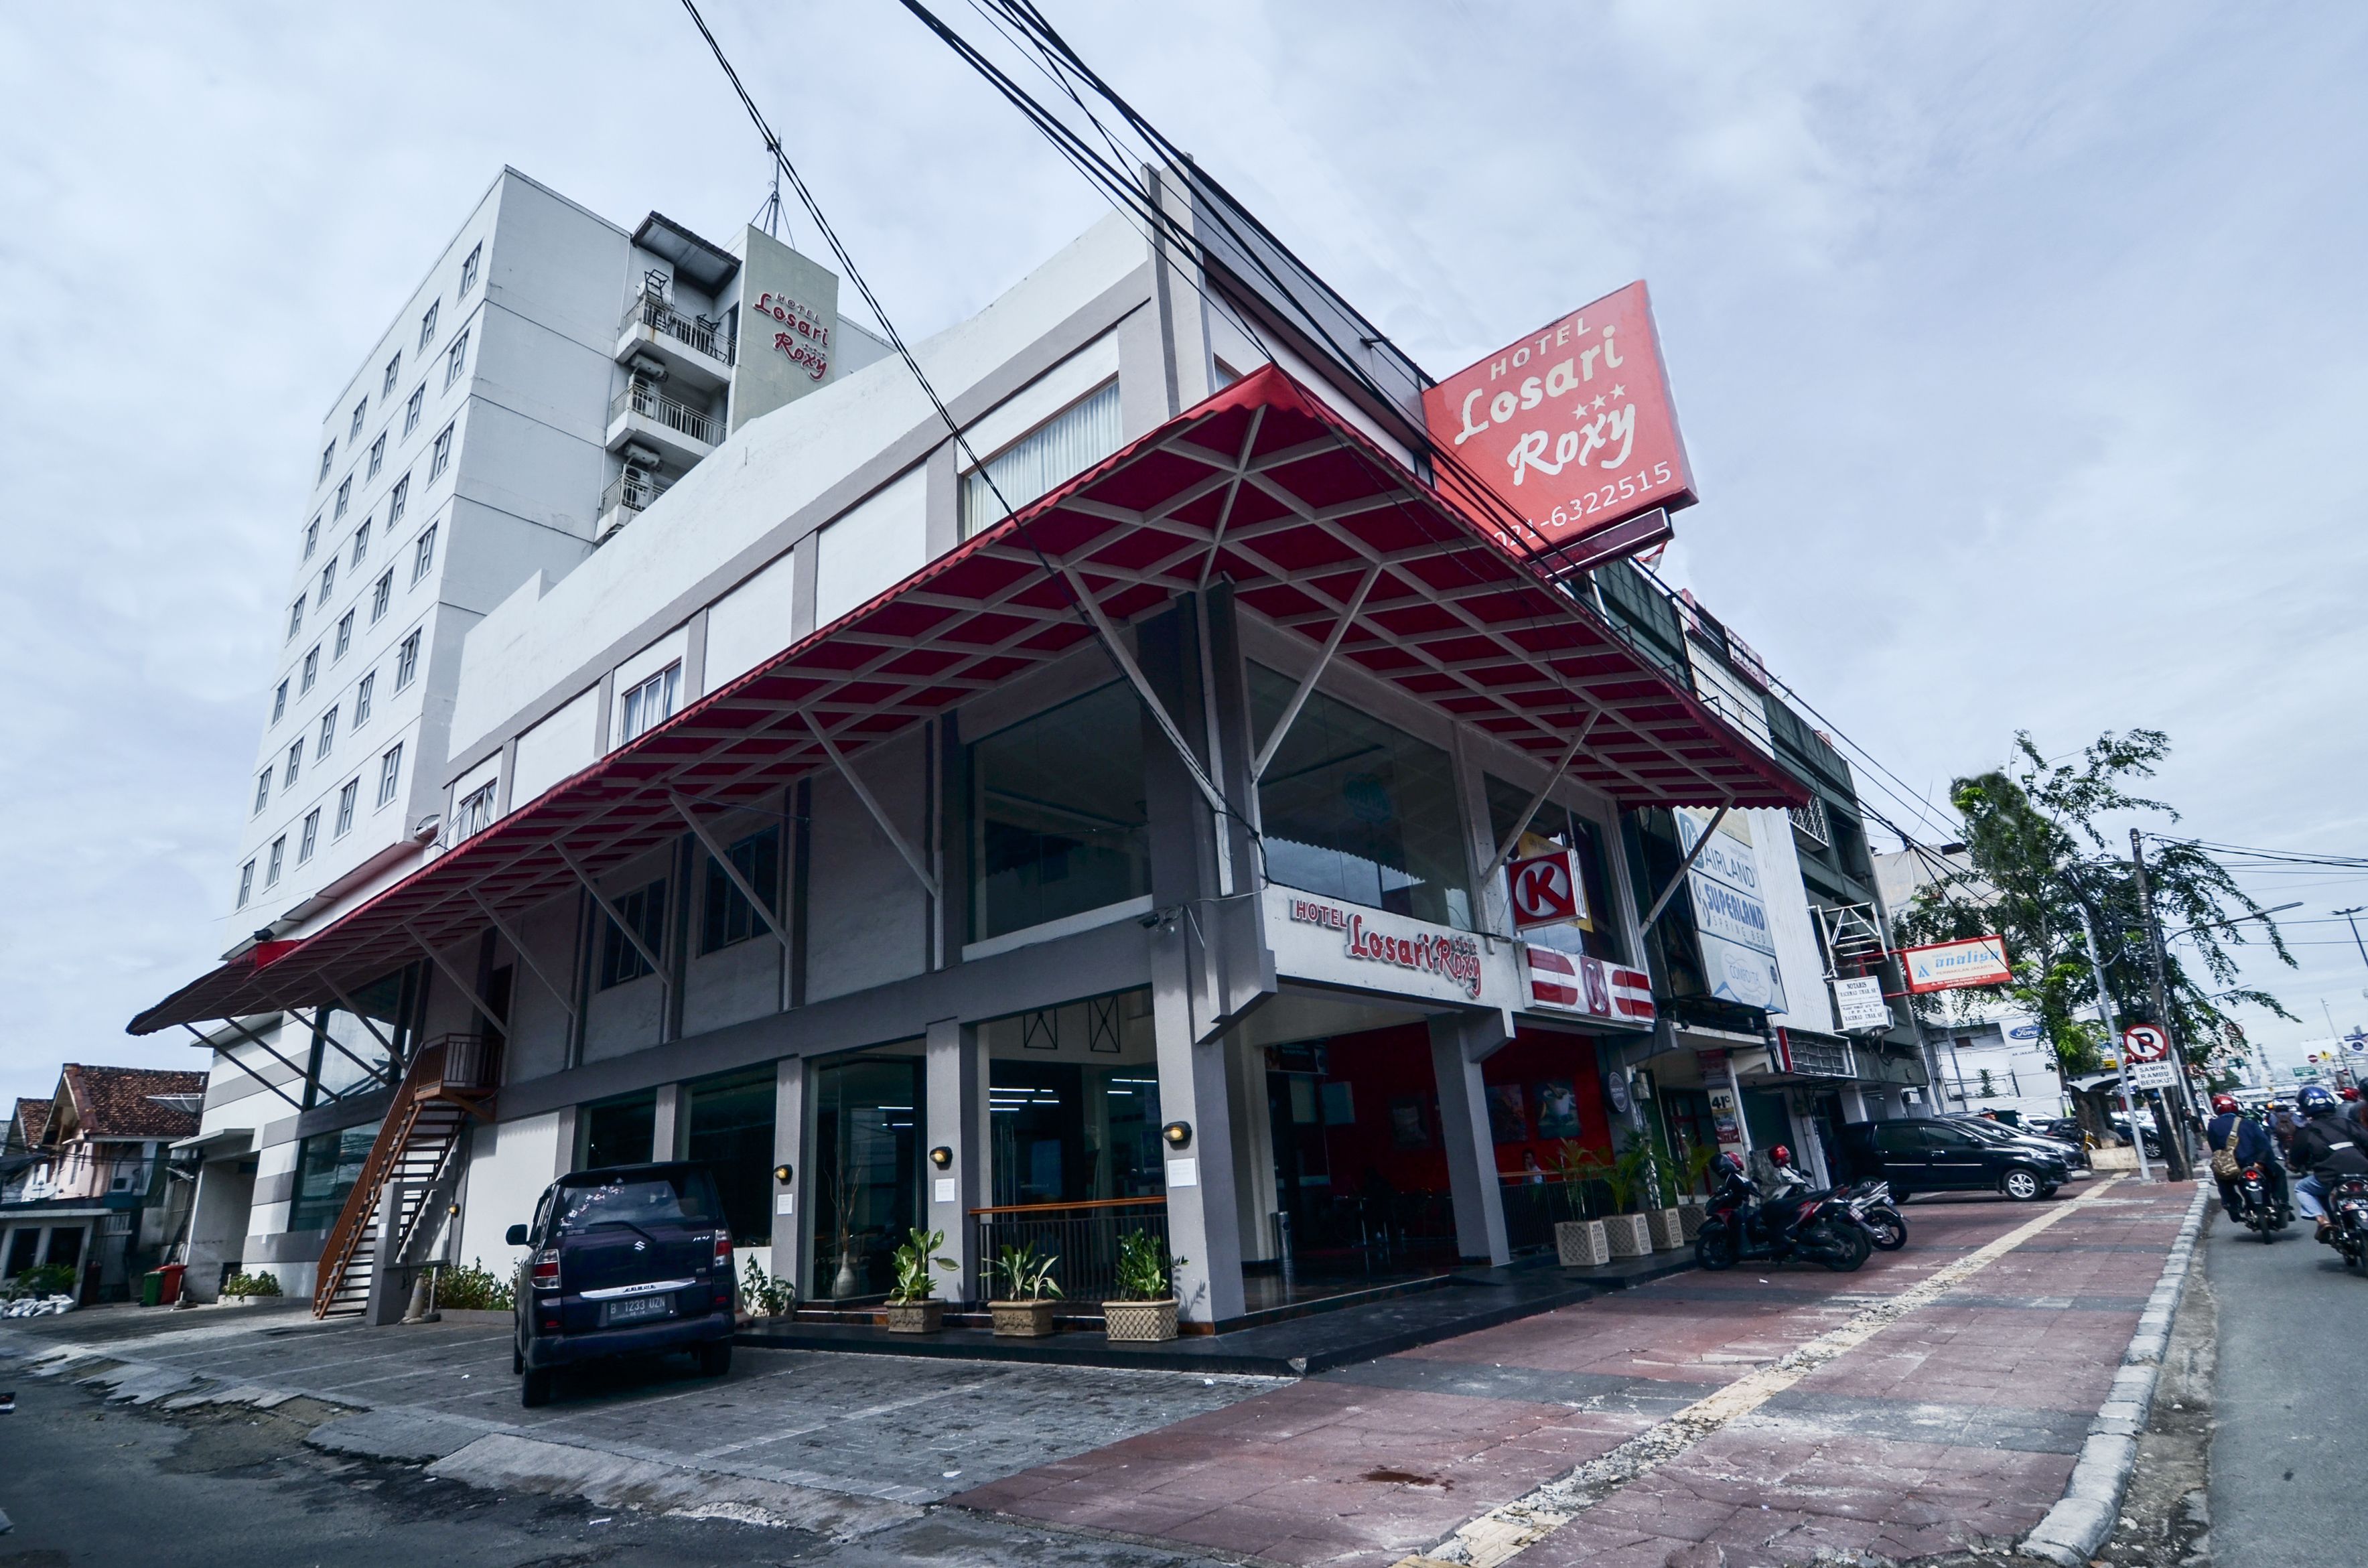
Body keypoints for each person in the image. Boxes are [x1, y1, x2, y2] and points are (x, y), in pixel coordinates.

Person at [2287, 1085, 2368, 1240]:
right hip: (2363, 1171)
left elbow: (2296, 1159)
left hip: (2330, 1177)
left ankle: (2322, 1220)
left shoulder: (2306, 1131)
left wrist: (2298, 1164)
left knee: (2301, 1188)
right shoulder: (2349, 1124)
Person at [2204, 1092, 2284, 1220]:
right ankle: (2281, 1202)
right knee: (2280, 1173)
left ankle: (2232, 1205)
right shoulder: (2249, 1123)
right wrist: (2260, 1162)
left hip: (2233, 1166)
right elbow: (2264, 1144)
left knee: (2222, 1179)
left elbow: (2215, 1149)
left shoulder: (2213, 1125)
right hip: (2256, 1164)